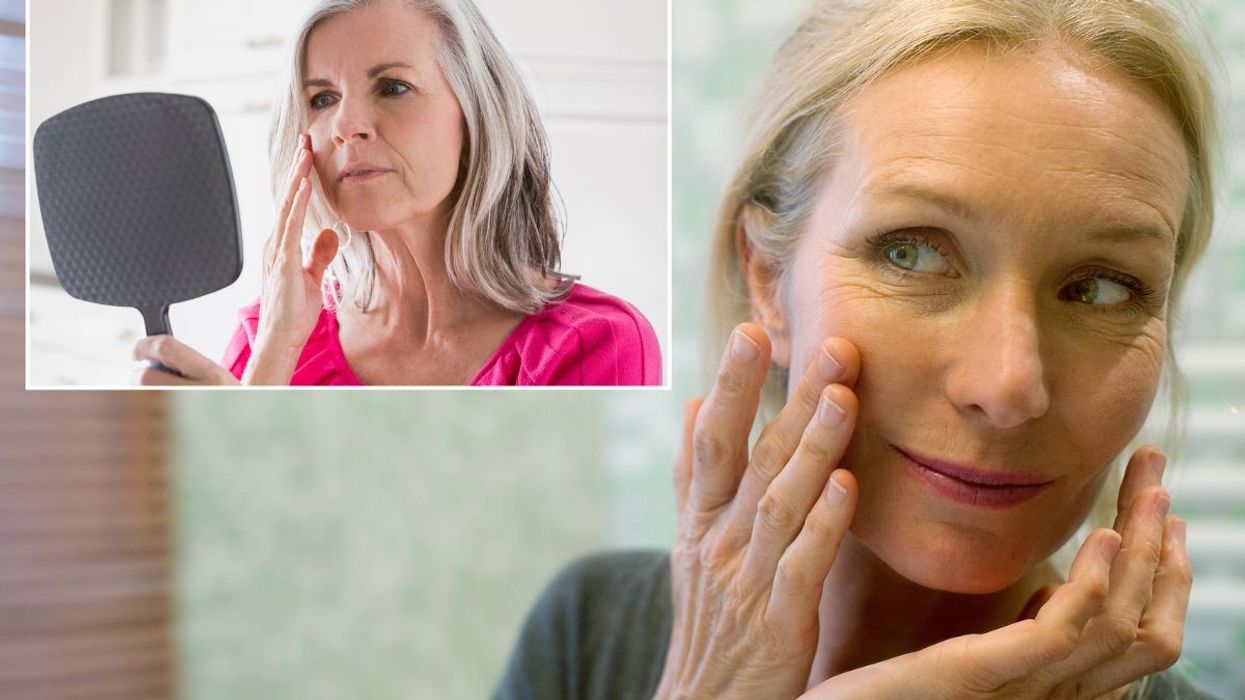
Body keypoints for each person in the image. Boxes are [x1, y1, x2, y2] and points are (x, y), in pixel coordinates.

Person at [496, 0, 1220, 697]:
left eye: (1100, 287)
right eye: (911, 253)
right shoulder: (590, 631)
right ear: (767, 275)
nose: (1007, 386)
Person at [133, 0, 661, 386]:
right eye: (321, 98)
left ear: (476, 114)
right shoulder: (268, 330)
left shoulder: (595, 346)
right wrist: (270, 362)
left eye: (392, 88)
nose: (346, 125)